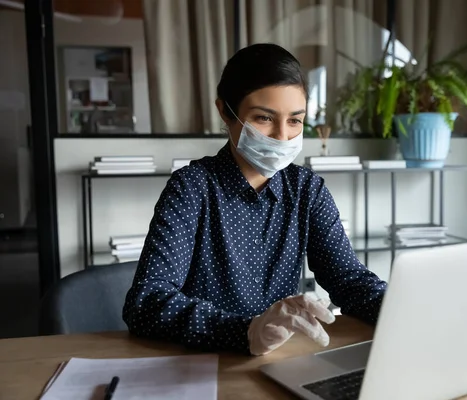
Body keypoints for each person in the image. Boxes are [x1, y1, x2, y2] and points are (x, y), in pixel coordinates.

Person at [122, 43, 388, 356]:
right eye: (264, 118)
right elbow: (147, 301)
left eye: (295, 120)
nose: (282, 136)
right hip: (204, 361)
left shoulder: (307, 191)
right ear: (225, 111)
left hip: (281, 361)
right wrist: (246, 331)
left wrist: (406, 308)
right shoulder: (192, 188)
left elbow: (350, 281)